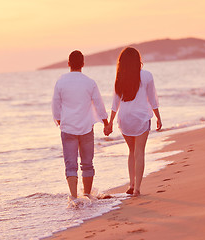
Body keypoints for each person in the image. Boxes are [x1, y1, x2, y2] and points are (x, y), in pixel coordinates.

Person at [104, 47, 162, 197]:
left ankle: (131, 184)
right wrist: (158, 117)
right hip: (141, 117)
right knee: (139, 152)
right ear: (138, 61)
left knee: (131, 151)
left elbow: (114, 103)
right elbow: (152, 99)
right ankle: (137, 189)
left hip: (124, 119)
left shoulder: (119, 78)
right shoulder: (147, 76)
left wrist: (110, 122)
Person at [52, 50, 108, 203]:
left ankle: (75, 198)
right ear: (83, 64)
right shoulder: (89, 82)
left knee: (70, 164)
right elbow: (99, 104)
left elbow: (56, 103)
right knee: (87, 163)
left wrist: (58, 119)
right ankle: (88, 196)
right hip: (86, 127)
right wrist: (106, 122)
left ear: (68, 63)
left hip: (67, 127)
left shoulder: (61, 81)